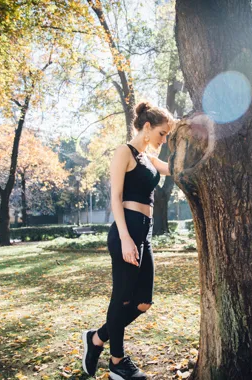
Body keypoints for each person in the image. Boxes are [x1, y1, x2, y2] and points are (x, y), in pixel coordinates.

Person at [82, 102, 174, 379]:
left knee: (143, 301)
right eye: (162, 133)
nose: (164, 139)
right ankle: (117, 362)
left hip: (144, 231)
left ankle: (97, 338)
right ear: (147, 128)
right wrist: (124, 238)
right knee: (122, 299)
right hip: (127, 230)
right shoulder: (125, 152)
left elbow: (173, 169)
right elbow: (115, 198)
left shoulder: (149, 159)